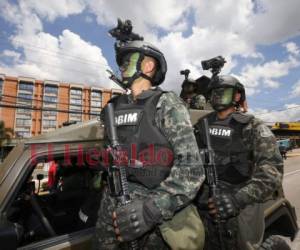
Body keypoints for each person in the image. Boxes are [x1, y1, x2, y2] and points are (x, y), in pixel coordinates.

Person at [93, 25, 205, 249]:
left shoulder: (166, 103)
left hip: (153, 212)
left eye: (128, 60)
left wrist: (151, 209)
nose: (121, 66)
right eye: (120, 61)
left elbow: (192, 169)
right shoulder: (112, 108)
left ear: (148, 65)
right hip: (111, 206)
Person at [194, 75, 283, 250]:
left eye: (224, 91)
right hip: (205, 207)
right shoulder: (199, 126)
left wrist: (237, 200)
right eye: (214, 92)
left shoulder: (253, 126)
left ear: (237, 96)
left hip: (241, 206)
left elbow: (272, 172)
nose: (218, 95)